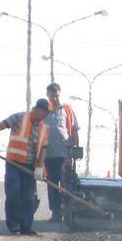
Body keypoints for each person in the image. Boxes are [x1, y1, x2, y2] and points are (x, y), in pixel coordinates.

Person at [0, 99, 50, 236]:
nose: (44, 118)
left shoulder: (43, 128)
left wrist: (39, 168)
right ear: (38, 109)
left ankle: (26, 226)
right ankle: (14, 224)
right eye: (44, 114)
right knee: (13, 193)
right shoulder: (19, 118)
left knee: (29, 197)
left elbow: (43, 149)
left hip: (29, 167)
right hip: (13, 164)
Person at [44, 83, 80, 223]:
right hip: (48, 155)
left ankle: (68, 212)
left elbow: (75, 130)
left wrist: (73, 151)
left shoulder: (67, 110)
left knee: (66, 184)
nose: (55, 98)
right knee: (52, 184)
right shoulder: (43, 111)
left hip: (64, 155)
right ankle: (56, 213)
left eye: (57, 95)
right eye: (52, 96)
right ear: (47, 95)